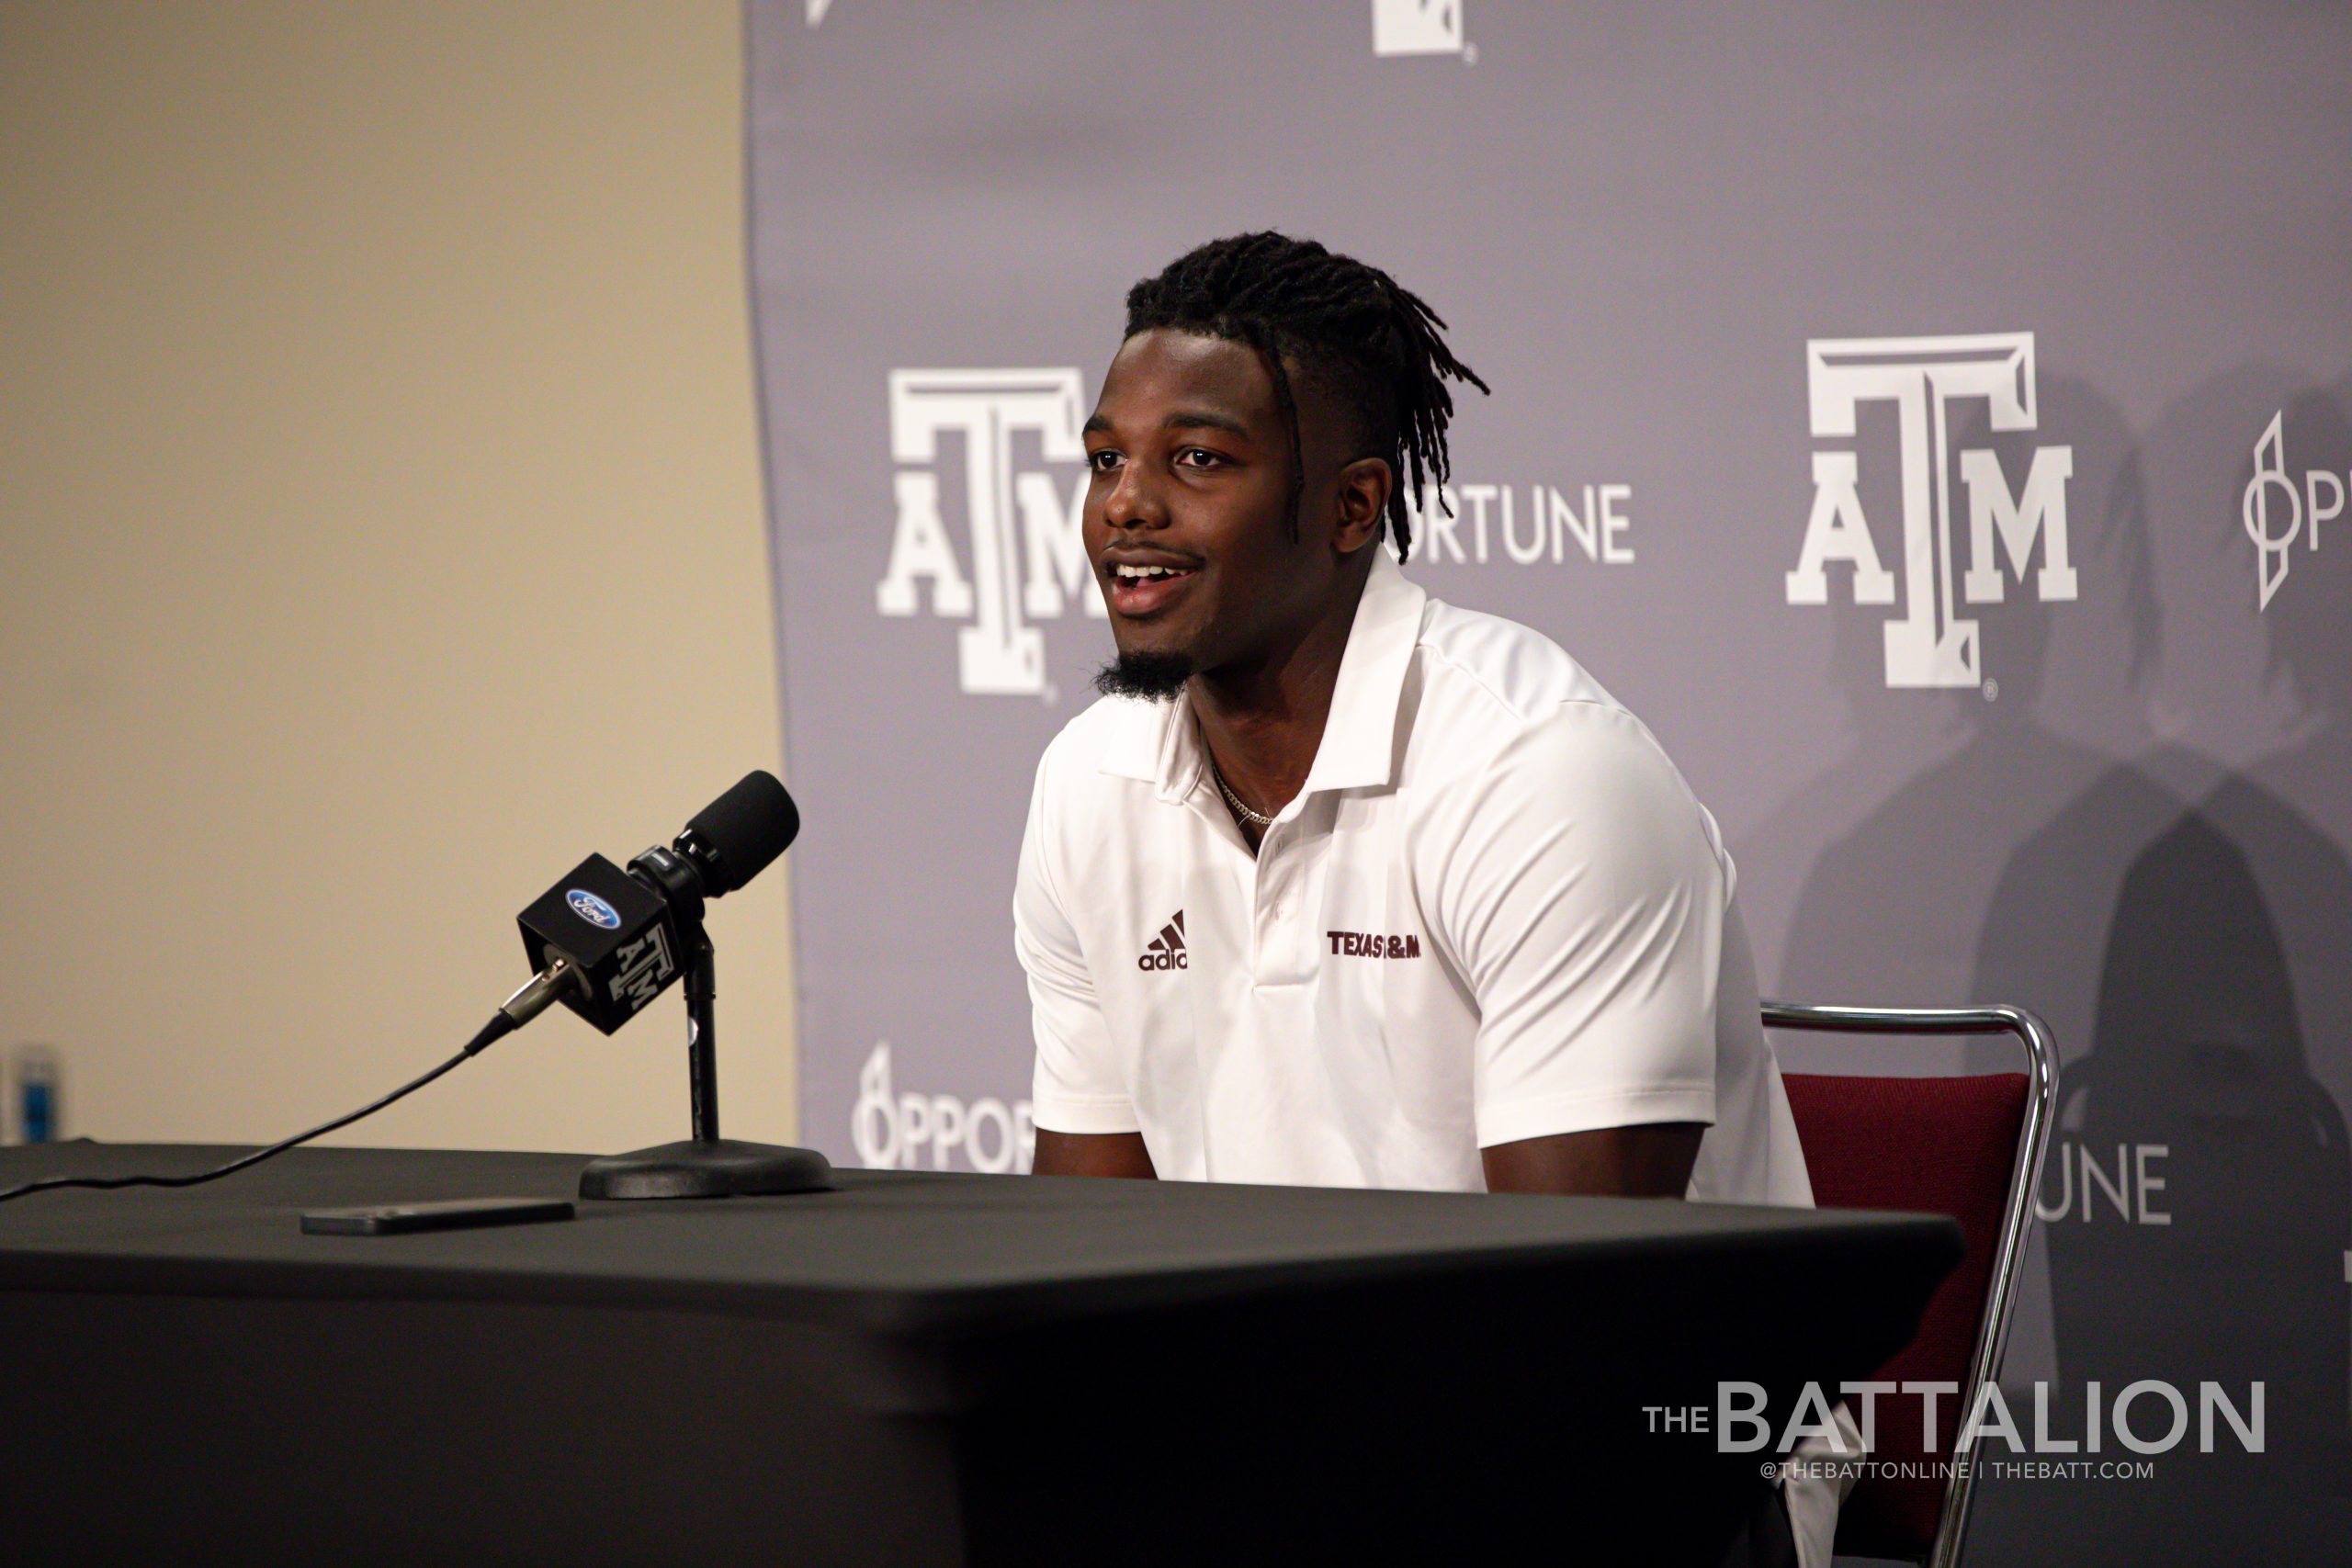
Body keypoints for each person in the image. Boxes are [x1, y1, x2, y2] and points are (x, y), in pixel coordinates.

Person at [1015, 231, 1851, 1565]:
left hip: (1641, 1472)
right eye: (1108, 458)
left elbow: (1574, 1332)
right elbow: (1080, 1257)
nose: (1126, 505)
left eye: (1199, 461)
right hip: (1282, 1448)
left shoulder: (1542, 777)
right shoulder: (1087, 786)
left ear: (1354, 510)